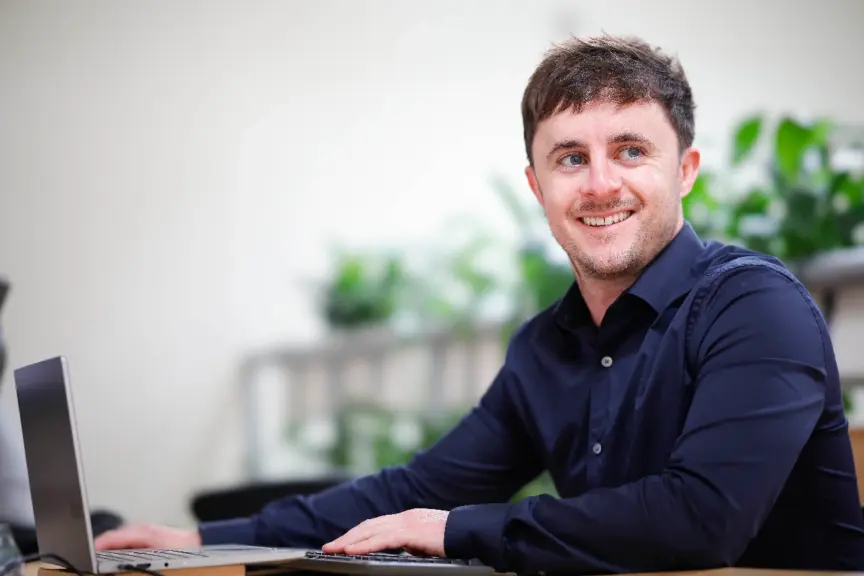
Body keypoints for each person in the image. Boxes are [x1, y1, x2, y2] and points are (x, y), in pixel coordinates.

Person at [94, 35, 864, 573]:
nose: (600, 184)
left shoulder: (753, 304)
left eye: (631, 150)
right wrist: (194, 536)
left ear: (686, 170)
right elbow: (416, 493)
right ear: (537, 186)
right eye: (570, 158)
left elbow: (703, 518)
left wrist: (456, 531)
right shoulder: (545, 347)